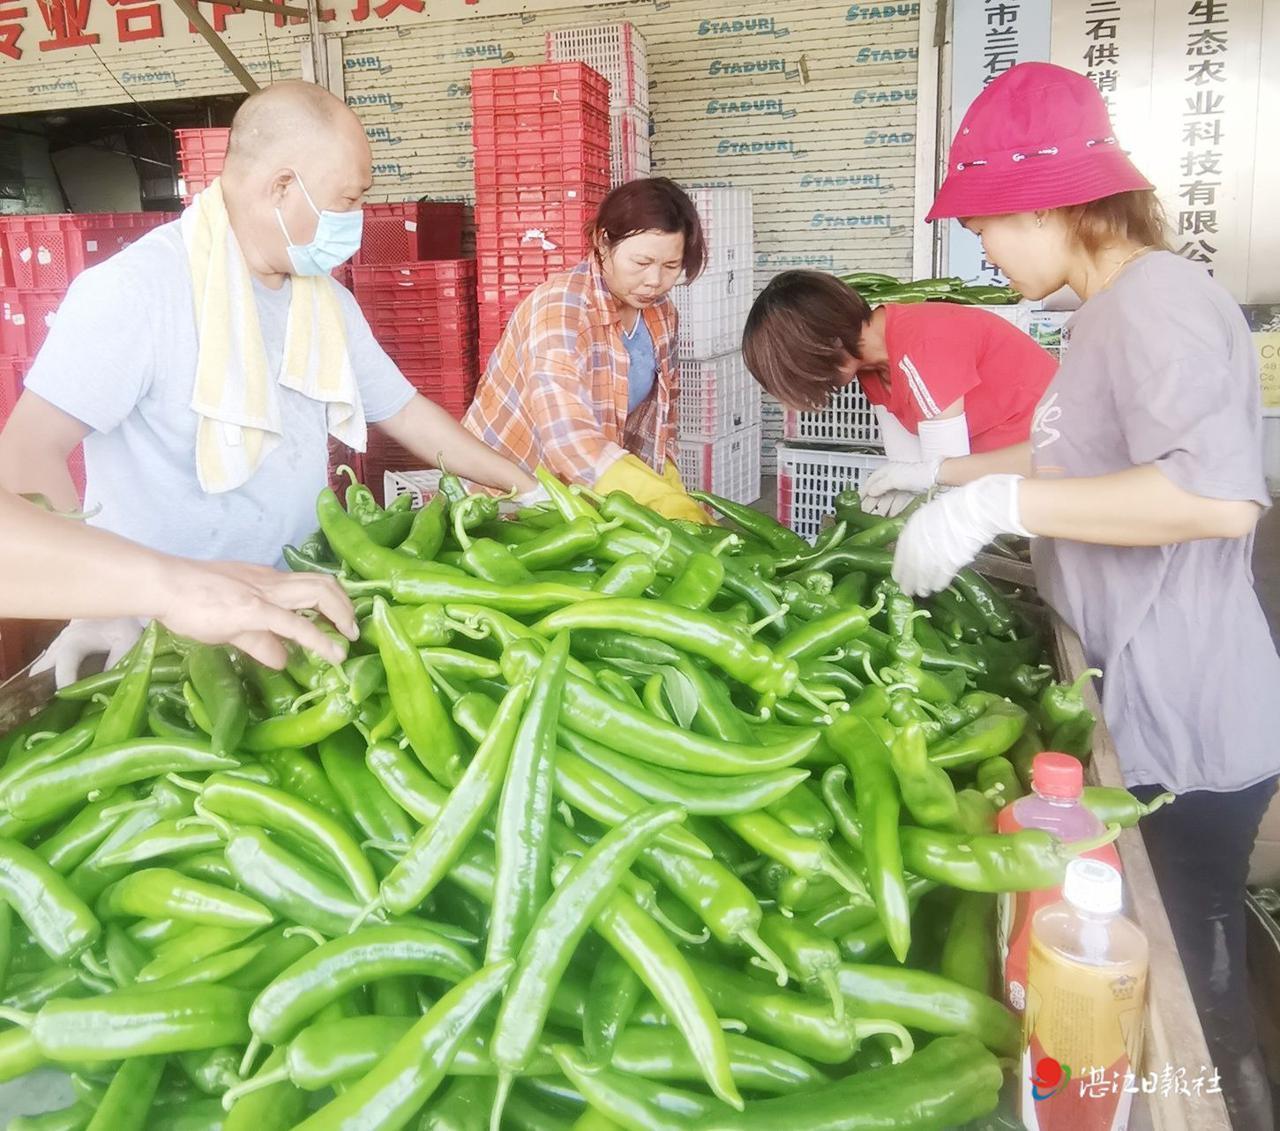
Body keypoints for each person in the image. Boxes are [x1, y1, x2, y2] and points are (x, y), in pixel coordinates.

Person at [866, 62, 1279, 1130]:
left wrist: (995, 500)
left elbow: (1216, 499)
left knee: (1190, 991)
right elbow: (1068, 463)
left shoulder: (1158, 304)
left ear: (1050, 204)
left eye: (990, 225)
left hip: (1185, 720)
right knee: (1153, 971)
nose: (982, 251)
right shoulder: (1101, 313)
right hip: (1134, 695)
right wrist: (941, 479)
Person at [0, 80, 533, 684]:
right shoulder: (138, 291)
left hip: (294, 599)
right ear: (282, 187)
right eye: (348, 199)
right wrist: (97, 601)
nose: (357, 219)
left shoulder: (322, 302)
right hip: (160, 626)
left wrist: (527, 488)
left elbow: (405, 411)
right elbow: (27, 452)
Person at [464, 177, 711, 523]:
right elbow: (569, 440)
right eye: (641, 263)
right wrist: (658, 499)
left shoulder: (661, 314)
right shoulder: (561, 309)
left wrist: (668, 487)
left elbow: (660, 419)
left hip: (589, 493)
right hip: (508, 499)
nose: (654, 281)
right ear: (603, 241)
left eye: (671, 267)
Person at [742, 269, 1057, 515]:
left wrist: (921, 486)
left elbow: (944, 472)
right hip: (992, 472)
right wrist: (902, 487)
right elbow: (909, 464)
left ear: (824, 341)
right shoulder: (872, 366)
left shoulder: (921, 344)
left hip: (1050, 467)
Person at [0, 489, 356, 671]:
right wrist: (113, 596)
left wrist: (128, 588)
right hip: (163, 612)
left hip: (227, 611)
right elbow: (30, 442)